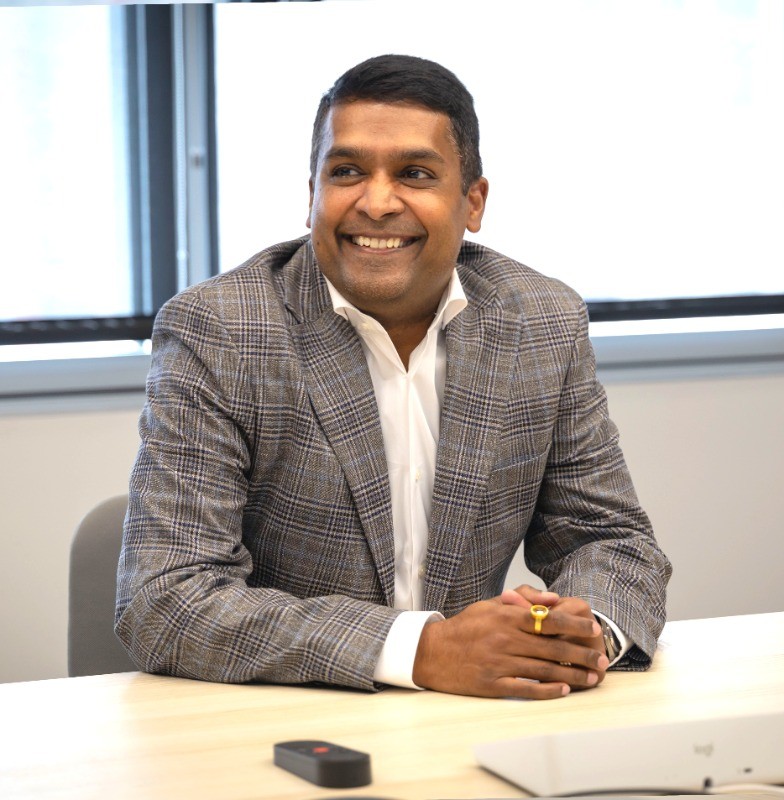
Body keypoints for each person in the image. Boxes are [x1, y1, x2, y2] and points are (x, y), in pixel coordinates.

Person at [116, 54, 671, 700]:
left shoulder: (541, 321)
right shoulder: (223, 330)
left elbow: (609, 539)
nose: (376, 203)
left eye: (414, 174)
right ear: (312, 195)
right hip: (285, 720)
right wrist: (424, 650)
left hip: (475, 719)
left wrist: (577, 637)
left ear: (472, 202)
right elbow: (167, 598)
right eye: (347, 172)